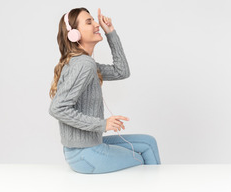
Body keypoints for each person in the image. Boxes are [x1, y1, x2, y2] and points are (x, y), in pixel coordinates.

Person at [49, 7, 161, 174]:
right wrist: (103, 124)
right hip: (85, 154)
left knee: (148, 143)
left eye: (94, 20)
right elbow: (57, 108)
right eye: (89, 22)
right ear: (74, 34)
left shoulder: (86, 63)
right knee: (144, 157)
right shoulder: (84, 65)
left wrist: (111, 33)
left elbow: (121, 71)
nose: (96, 24)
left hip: (86, 149)